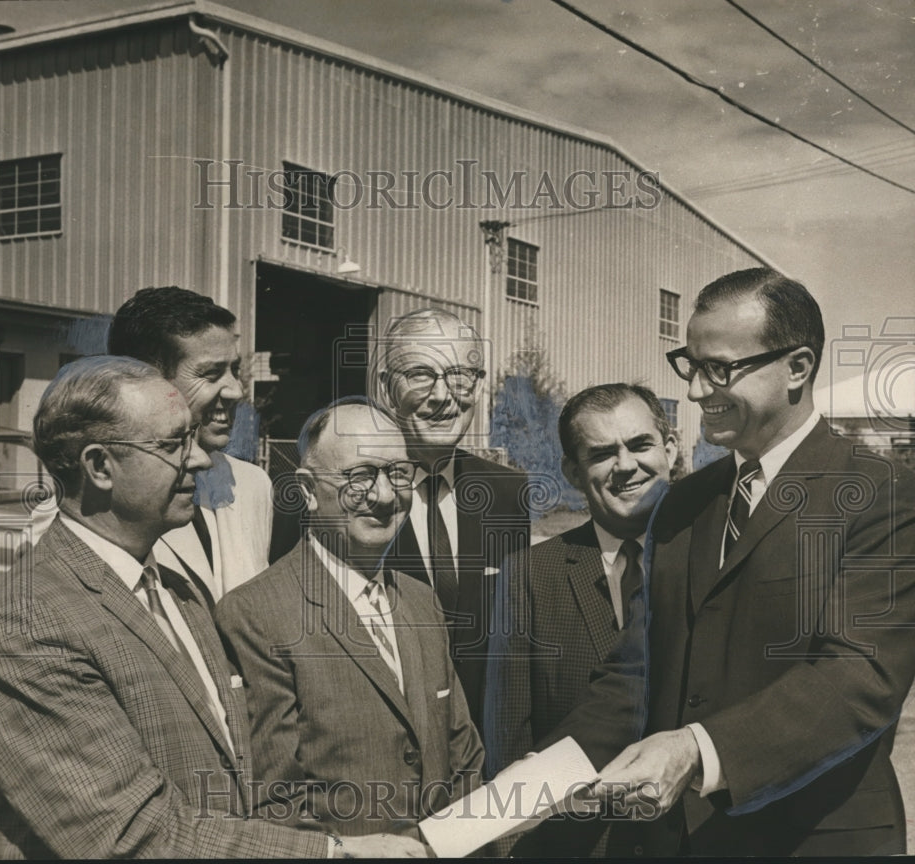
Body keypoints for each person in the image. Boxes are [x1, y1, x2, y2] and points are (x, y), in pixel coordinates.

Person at [0, 357, 423, 859]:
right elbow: (128, 835)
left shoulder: (178, 589)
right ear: (99, 466)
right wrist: (333, 852)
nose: (201, 460)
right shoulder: (30, 623)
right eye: (172, 445)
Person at [537, 268, 915, 856]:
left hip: (816, 841)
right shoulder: (685, 502)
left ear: (797, 367)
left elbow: (858, 678)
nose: (693, 392)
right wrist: (518, 792)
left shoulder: (881, 492)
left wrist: (695, 748)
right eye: (689, 366)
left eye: (720, 369)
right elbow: (633, 676)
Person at [216, 399, 483, 840]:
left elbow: (464, 755)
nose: (383, 495)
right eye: (359, 476)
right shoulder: (255, 615)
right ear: (306, 490)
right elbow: (276, 801)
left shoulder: (421, 602)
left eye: (398, 473)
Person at [485, 383, 676, 855]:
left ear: (670, 448)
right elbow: (508, 735)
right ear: (572, 471)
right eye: (602, 453)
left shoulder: (718, 559)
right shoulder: (529, 575)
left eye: (640, 445)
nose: (626, 465)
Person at [376, 308, 531, 735]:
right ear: (387, 389)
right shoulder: (343, 498)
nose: (444, 396)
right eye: (421, 374)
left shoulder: (507, 493)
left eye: (461, 376)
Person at [108, 286, 271, 606]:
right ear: (145, 381)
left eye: (234, 370)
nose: (237, 391)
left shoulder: (254, 486)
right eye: (211, 374)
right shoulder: (99, 503)